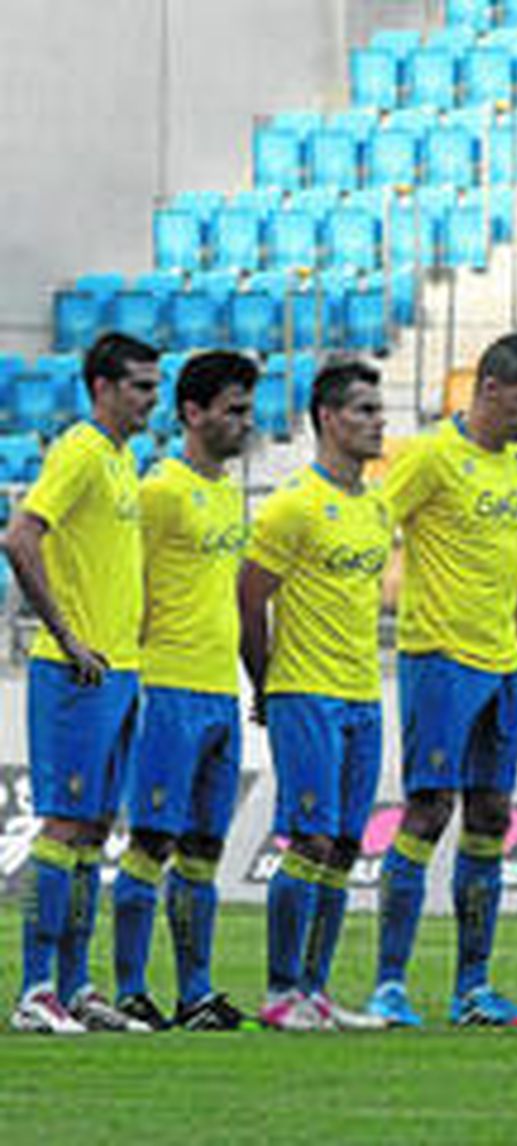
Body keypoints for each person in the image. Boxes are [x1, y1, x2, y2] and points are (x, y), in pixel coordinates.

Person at [367, 335, 517, 1029]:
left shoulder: (513, 463)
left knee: (491, 816)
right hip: (439, 657)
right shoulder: (429, 459)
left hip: (500, 664)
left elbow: (506, 569)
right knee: (427, 810)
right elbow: (372, 529)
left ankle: (472, 987)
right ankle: (389, 983)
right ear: (489, 389)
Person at [5, 333, 159, 1034]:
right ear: (102, 387)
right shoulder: (78, 451)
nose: (150, 399)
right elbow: (19, 536)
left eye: (155, 387)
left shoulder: (124, 461)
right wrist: (67, 635)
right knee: (62, 826)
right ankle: (34, 986)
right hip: (74, 671)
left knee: (94, 832)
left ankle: (74, 983)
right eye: (140, 387)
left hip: (121, 670)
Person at [239, 360, 391, 1032]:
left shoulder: (374, 506)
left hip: (363, 692)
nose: (377, 421)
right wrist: (268, 682)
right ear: (328, 419)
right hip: (306, 690)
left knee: (346, 847)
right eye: (363, 410)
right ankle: (280, 991)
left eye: (379, 410)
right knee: (310, 839)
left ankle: (317, 990)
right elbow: (248, 598)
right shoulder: (294, 504)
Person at [112, 351, 257, 1032]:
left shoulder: (229, 492)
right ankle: (130, 990)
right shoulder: (159, 492)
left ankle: (195, 991)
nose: (245, 423)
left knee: (203, 848)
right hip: (166, 687)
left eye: (249, 409)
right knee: (151, 841)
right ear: (193, 413)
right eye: (233, 410)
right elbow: (127, 589)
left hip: (218, 693)